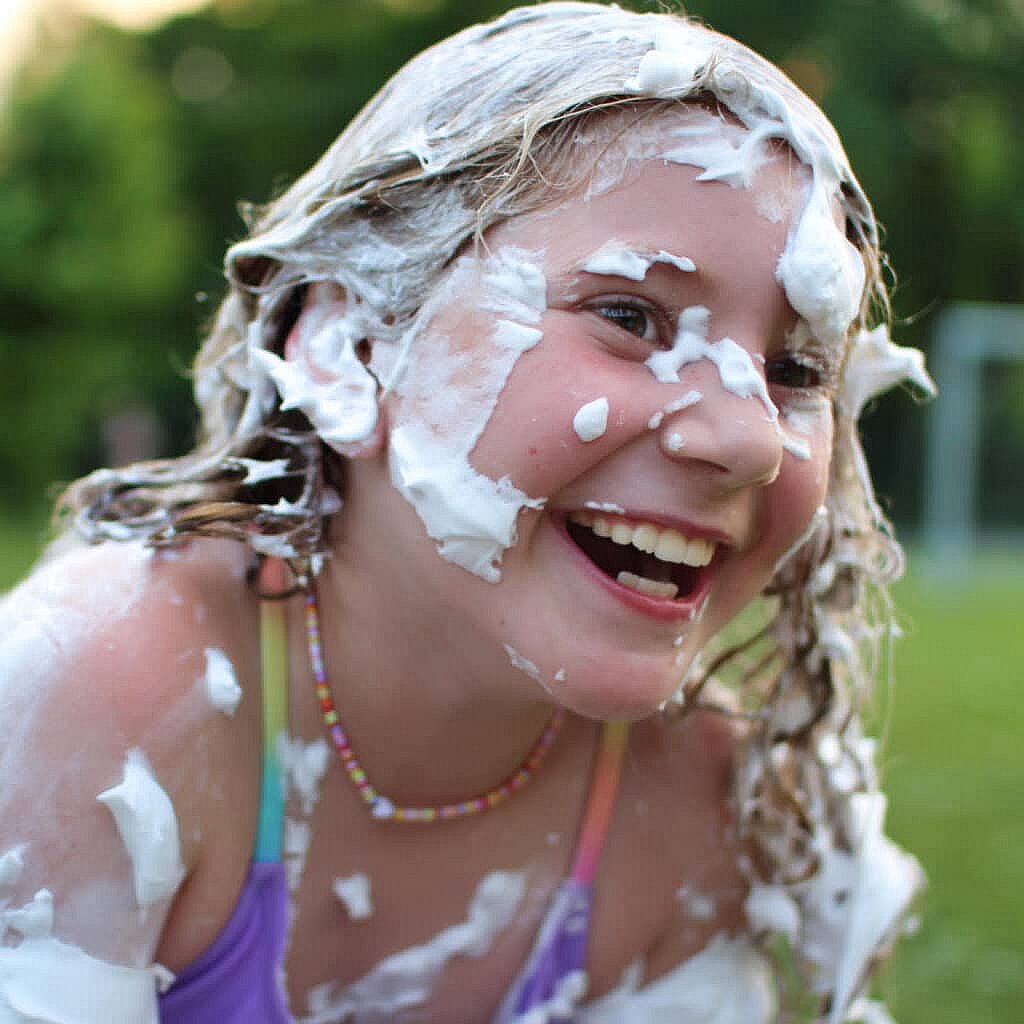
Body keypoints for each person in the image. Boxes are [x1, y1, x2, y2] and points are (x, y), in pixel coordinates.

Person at [0, 3, 935, 1022]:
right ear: (350, 346)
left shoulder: (689, 802)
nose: (751, 437)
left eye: (796, 369)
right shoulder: (109, 696)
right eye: (628, 317)